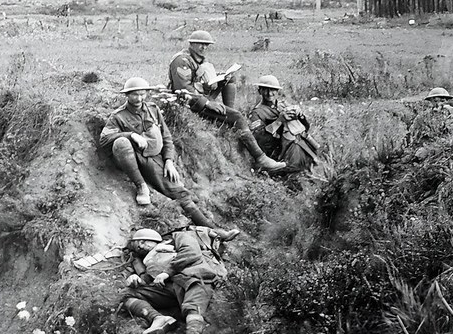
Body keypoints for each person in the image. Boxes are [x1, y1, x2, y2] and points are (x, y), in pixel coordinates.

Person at [99, 77, 241, 241]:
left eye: (142, 94)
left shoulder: (153, 110)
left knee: (181, 194)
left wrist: (168, 161)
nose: (139, 98)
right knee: (121, 143)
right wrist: (131, 135)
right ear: (127, 95)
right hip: (130, 157)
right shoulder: (118, 116)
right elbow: (104, 140)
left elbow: (166, 138)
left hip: (153, 159)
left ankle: (216, 232)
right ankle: (141, 186)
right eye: (134, 95)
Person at [168, 30, 286, 173]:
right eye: (200, 44)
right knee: (238, 117)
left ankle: (228, 113)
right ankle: (261, 158)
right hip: (188, 101)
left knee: (230, 78)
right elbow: (183, 89)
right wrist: (207, 103)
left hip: (199, 95)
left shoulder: (197, 59)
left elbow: (200, 80)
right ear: (191, 44)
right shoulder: (182, 61)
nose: (204, 47)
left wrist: (219, 78)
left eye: (206, 45)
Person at [124, 226, 228, 334]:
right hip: (171, 288)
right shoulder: (148, 261)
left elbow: (191, 252)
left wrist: (167, 272)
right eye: (137, 246)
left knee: (192, 308)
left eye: (143, 242)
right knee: (127, 294)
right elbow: (151, 279)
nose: (140, 246)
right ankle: (158, 319)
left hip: (196, 276)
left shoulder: (178, 237)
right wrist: (137, 280)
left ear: (154, 238)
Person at [247, 75, 321, 172]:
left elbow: (306, 127)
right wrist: (279, 121)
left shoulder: (284, 105)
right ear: (259, 91)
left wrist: (300, 115)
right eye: (265, 89)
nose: (269, 93)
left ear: (277, 91)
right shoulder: (257, 113)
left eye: (273, 90)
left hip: (298, 145)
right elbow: (261, 141)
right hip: (278, 153)